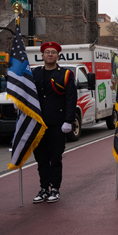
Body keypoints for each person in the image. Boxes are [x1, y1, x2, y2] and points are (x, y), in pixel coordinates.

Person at [31, 41, 77, 204]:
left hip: (57, 122)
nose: (50, 54)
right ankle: (44, 188)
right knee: (41, 157)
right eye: (47, 52)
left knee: (55, 157)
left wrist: (68, 121)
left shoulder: (65, 74)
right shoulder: (34, 73)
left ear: (58, 56)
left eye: (53, 52)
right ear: (42, 55)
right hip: (39, 123)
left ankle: (55, 188)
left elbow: (71, 98)